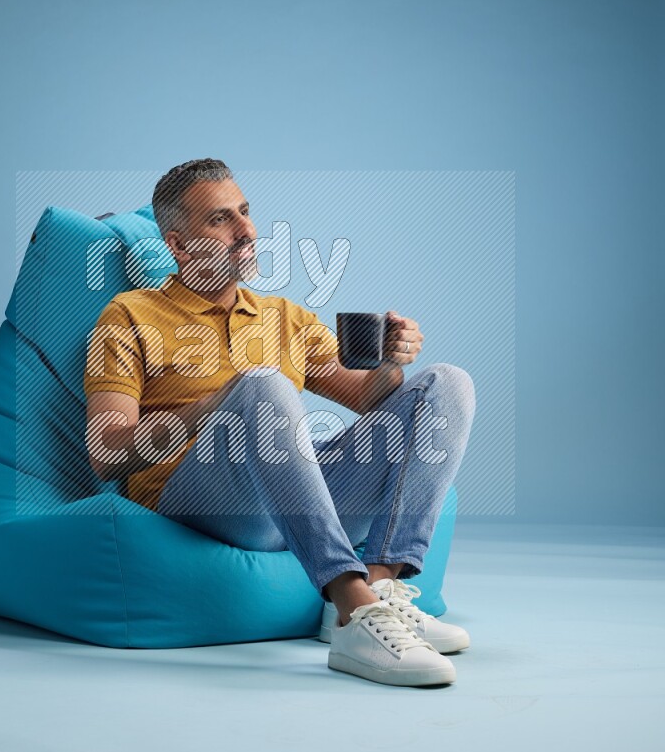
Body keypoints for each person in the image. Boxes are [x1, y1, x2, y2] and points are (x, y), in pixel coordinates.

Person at [83, 158, 476, 688]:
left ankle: (376, 593)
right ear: (177, 245)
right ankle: (351, 604)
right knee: (264, 384)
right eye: (220, 220)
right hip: (200, 503)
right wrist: (214, 407)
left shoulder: (284, 318)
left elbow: (368, 400)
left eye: (245, 213)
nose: (247, 231)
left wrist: (391, 363)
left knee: (447, 383)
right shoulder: (130, 315)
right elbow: (105, 454)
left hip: (290, 500)